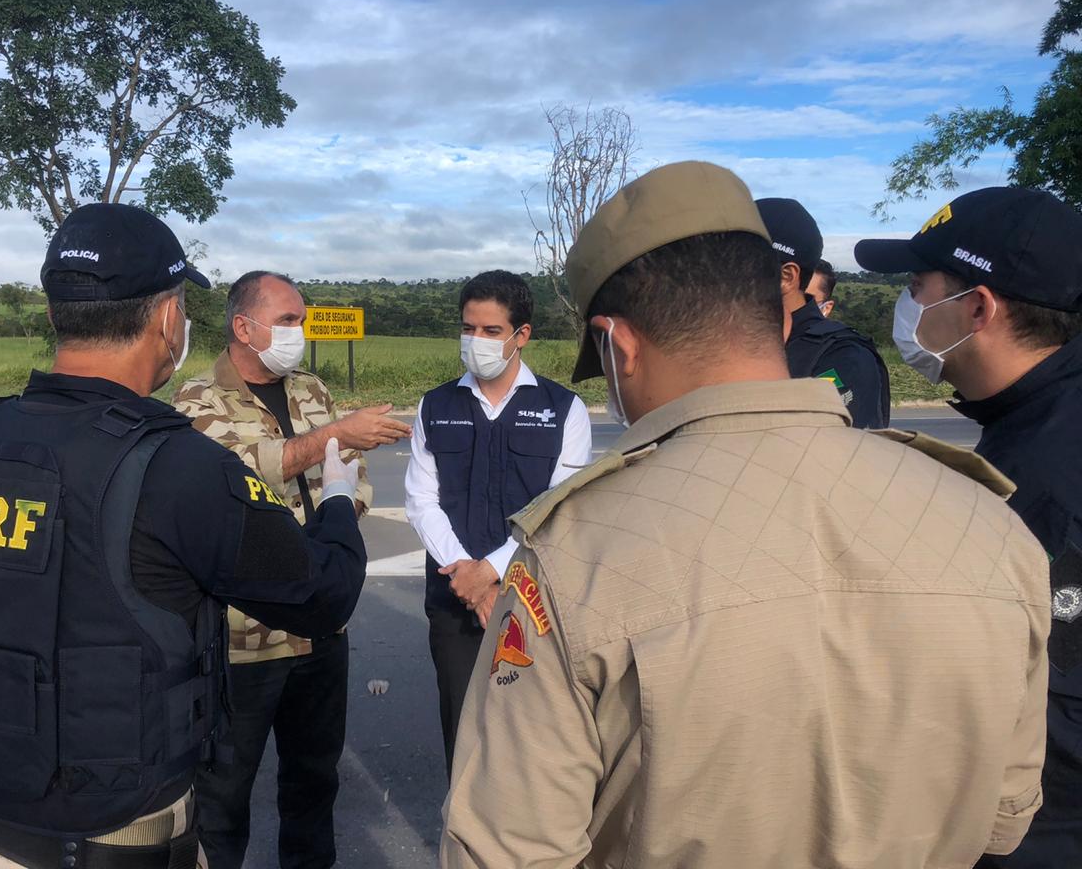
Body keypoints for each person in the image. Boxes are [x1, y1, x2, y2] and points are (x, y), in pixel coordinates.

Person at [440, 162, 1050, 869]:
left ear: (619, 343)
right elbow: (1007, 818)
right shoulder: (987, 521)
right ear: (773, 309)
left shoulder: (575, 556)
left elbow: (507, 851)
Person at [0, 204, 367, 869]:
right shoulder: (179, 462)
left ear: (58, 314)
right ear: (168, 318)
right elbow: (322, 596)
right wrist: (340, 497)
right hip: (125, 836)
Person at [856, 185, 1082, 869]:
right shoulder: (1031, 424)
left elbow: (1056, 711)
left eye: (918, 285)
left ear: (977, 308)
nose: (908, 304)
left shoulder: (1047, 473)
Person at [173, 270, 406, 869]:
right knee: (222, 798)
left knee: (313, 784)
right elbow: (240, 473)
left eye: (301, 321)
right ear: (243, 327)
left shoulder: (311, 391)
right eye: (286, 321)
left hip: (320, 630)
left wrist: (338, 517)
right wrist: (333, 437)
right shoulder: (198, 401)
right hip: (243, 640)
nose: (297, 333)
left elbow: (351, 476)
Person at [405, 269, 592, 778]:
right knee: (463, 740)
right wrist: (466, 577)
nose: (476, 341)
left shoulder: (563, 410)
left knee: (536, 745)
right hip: (453, 599)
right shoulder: (436, 406)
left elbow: (558, 507)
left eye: (490, 331)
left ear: (521, 335)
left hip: (536, 604)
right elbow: (422, 500)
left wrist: (489, 571)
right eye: (468, 328)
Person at [756, 197, 890, 428]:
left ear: (786, 278)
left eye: (736, 262)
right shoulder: (726, 342)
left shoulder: (840, 355)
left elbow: (836, 451)